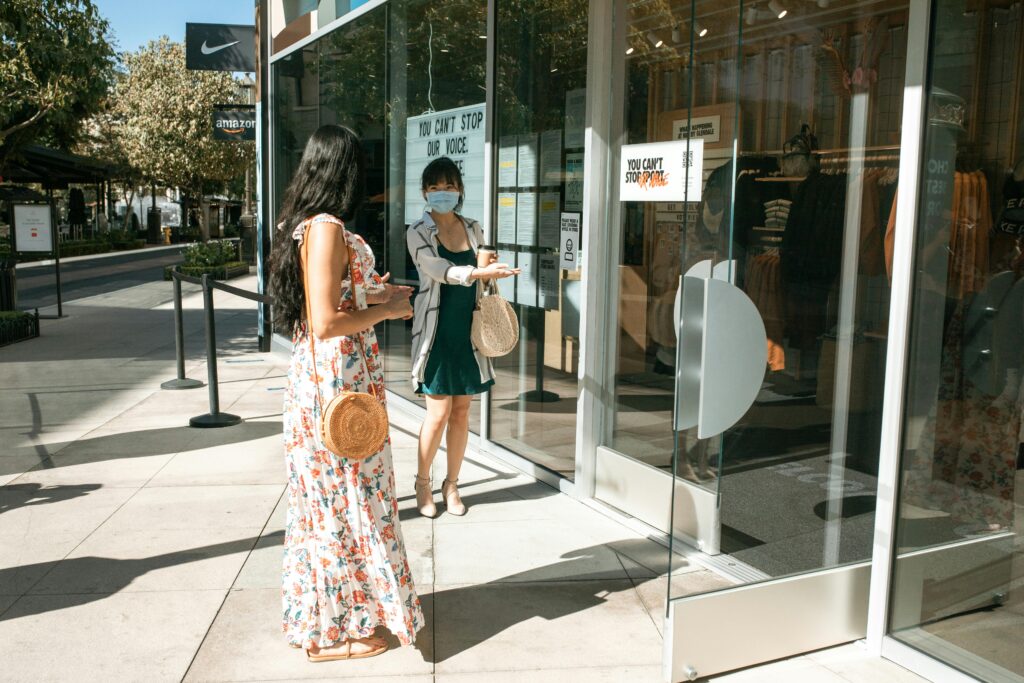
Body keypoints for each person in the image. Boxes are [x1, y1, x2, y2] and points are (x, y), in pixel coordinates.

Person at [269, 125, 423, 662]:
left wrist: (373, 291)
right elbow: (326, 321)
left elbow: (329, 300)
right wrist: (387, 309)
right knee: (344, 503)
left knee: (334, 504)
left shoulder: (307, 224)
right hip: (335, 388)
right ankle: (335, 633)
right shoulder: (327, 226)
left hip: (329, 383)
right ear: (345, 169)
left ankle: (338, 620)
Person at [406, 157, 519, 518]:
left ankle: (451, 484)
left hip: (469, 329)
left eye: (450, 186)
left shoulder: (472, 227)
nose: (443, 193)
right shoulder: (418, 231)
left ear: (459, 190)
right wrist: (476, 271)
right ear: (425, 191)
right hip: (437, 332)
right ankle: (423, 483)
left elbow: (482, 276)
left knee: (462, 411)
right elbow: (436, 269)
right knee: (437, 413)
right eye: (436, 187)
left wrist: (490, 272)